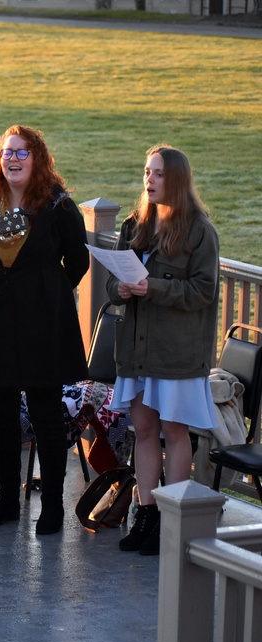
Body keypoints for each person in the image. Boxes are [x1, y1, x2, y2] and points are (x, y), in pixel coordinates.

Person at [0, 125, 90, 535]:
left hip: (43, 327)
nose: (13, 159)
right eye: (7, 152)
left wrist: (45, 292)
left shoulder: (57, 205)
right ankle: (6, 500)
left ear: (37, 158)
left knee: (46, 418)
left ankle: (52, 506)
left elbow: (78, 261)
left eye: (22, 152)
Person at [109, 144, 219, 556]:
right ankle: (146, 514)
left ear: (175, 179)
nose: (149, 180)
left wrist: (152, 287)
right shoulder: (134, 225)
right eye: (146, 172)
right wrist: (119, 289)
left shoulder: (199, 231)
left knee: (174, 432)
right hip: (137, 351)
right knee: (144, 431)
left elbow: (204, 291)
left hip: (176, 354)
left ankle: (171, 524)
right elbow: (111, 282)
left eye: (157, 174)